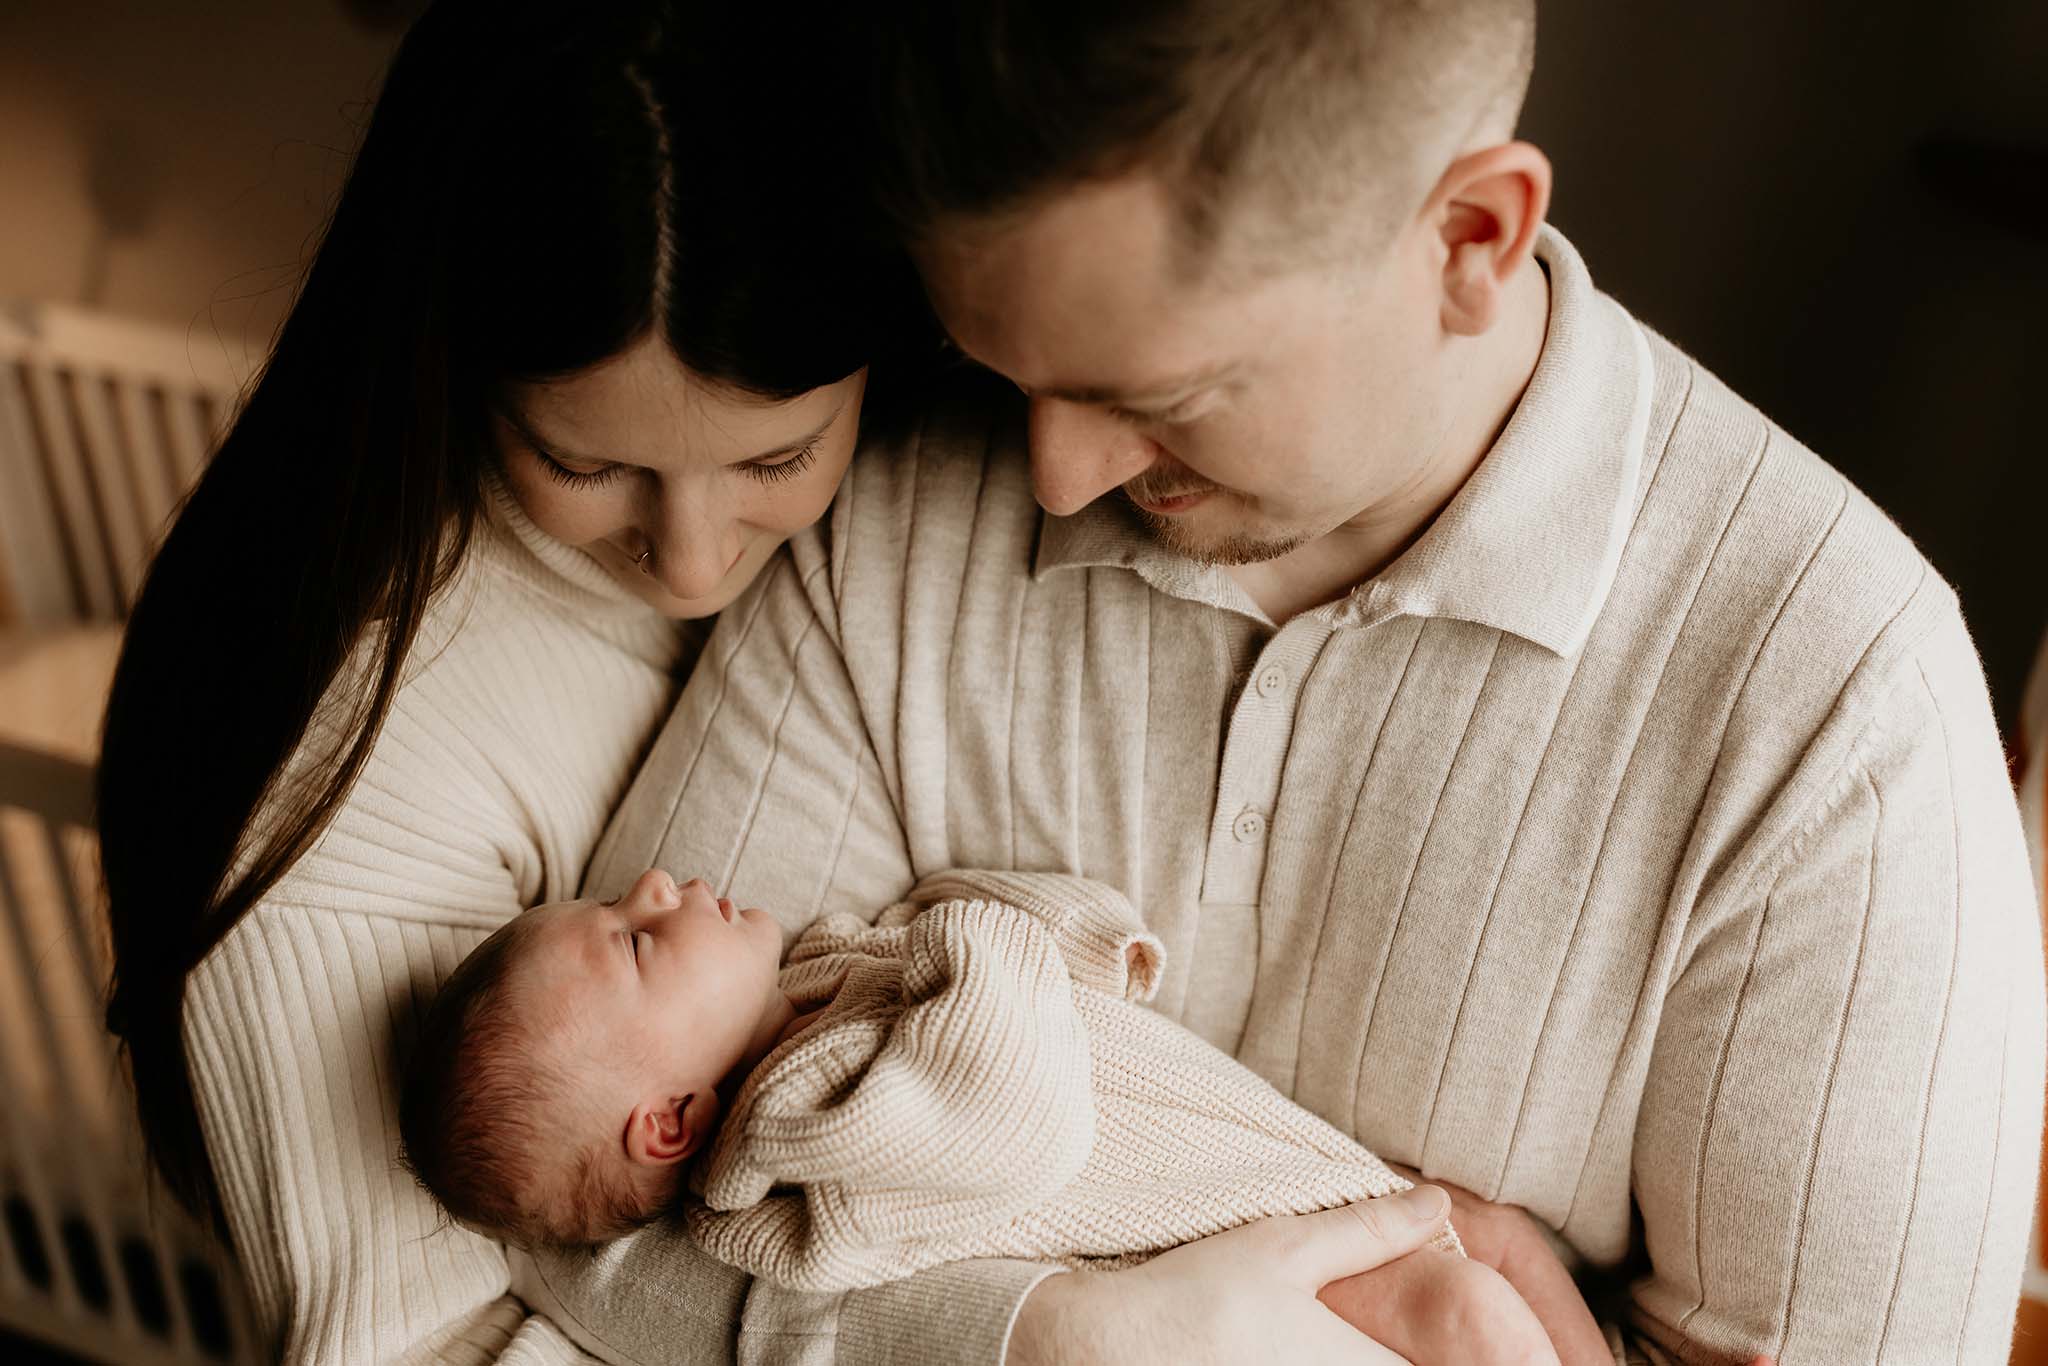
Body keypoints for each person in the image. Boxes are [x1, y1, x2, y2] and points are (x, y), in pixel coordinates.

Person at [539, 1, 2045, 1362]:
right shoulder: (912, 496)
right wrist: (1054, 1341)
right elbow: (585, 1209)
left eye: (1159, 399)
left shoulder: (1842, 721)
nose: (1052, 472)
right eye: (1006, 368)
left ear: (1472, 236)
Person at [100, 3, 1369, 1363]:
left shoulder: (955, 478)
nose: (695, 556)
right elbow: (421, 1342)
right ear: (453, 358)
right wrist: (1026, 1332)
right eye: (585, 467)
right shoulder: (345, 759)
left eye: (775, 461)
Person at [397, 864, 1600, 1363]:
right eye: (636, 938)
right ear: (668, 1126)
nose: (656, 882)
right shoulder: (803, 1127)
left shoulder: (813, 986)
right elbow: (1020, 1113)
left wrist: (1010, 921)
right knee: (1463, 1303)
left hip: (1288, 1176)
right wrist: (981, 933)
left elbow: (990, 928)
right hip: (1237, 1268)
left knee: (1492, 1236)